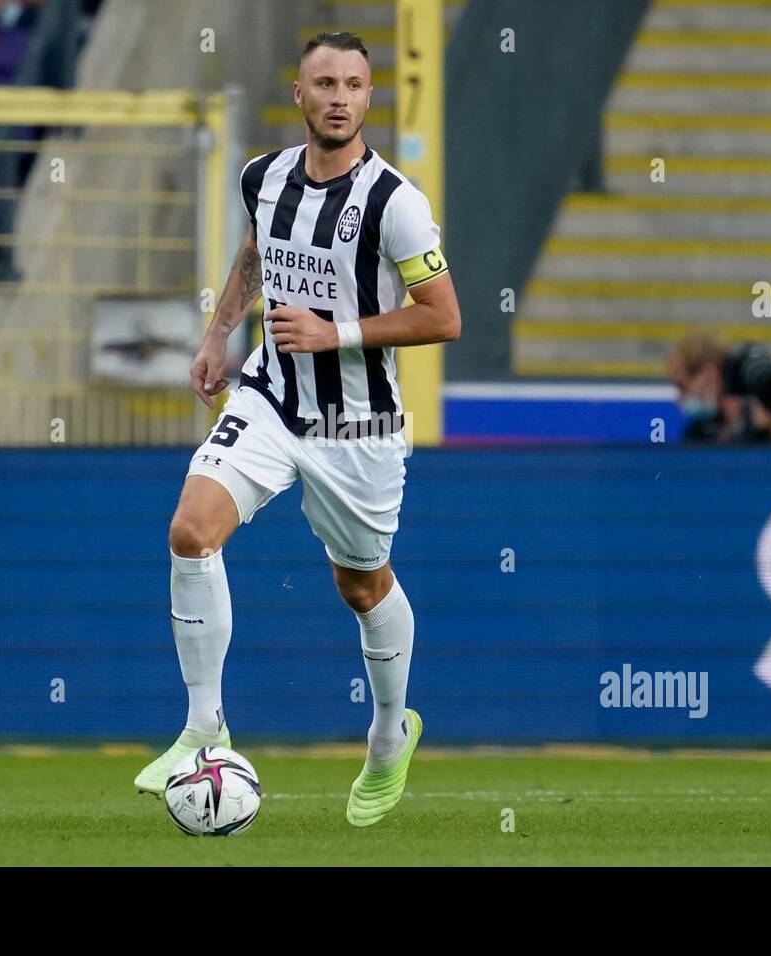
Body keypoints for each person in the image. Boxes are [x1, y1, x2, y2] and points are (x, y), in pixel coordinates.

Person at [132, 32, 461, 829]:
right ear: (302, 93)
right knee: (190, 531)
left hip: (359, 422)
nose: (340, 96)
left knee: (360, 583)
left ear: (368, 97)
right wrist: (218, 336)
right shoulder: (265, 177)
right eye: (325, 82)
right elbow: (256, 254)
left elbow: (443, 318)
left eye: (354, 83)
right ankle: (203, 729)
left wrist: (334, 333)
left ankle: (388, 735)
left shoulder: (398, 206)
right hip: (273, 397)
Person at [666, 332, 771, 445]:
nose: (679, 398)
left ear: (709, 375)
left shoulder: (768, 418)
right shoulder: (697, 432)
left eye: (682, 386)